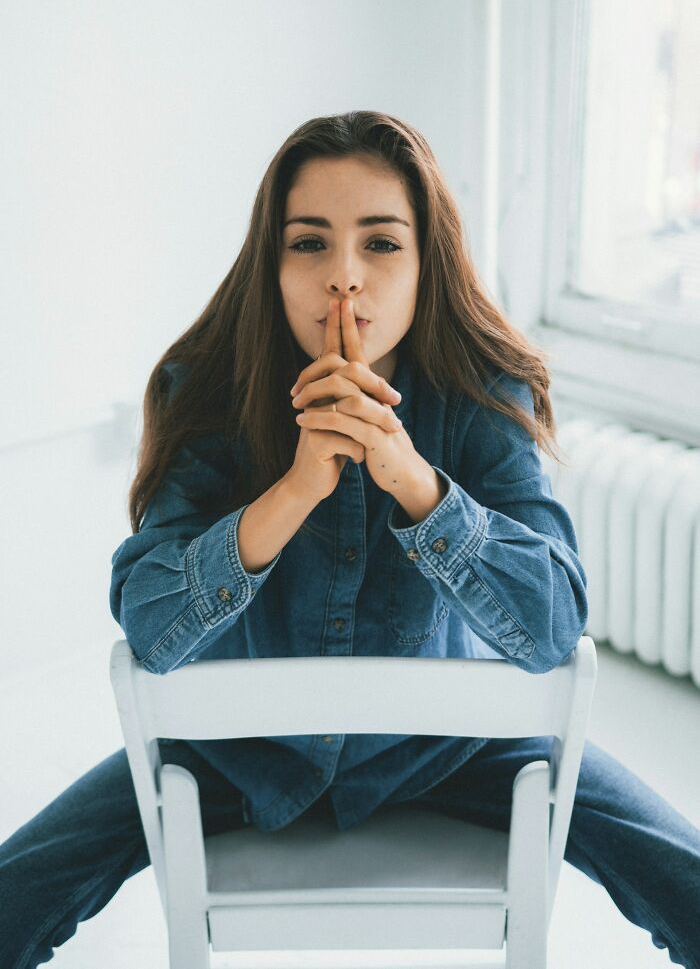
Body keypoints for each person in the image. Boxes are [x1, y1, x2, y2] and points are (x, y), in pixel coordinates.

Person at [0, 110, 698, 968]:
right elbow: (148, 624)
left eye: (381, 243)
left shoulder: (483, 393)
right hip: (239, 753)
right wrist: (297, 487)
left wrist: (413, 481)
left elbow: (554, 623)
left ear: (426, 263)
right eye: (308, 244)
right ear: (270, 264)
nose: (343, 278)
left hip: (448, 748)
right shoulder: (209, 391)